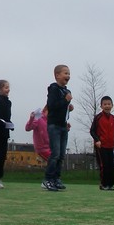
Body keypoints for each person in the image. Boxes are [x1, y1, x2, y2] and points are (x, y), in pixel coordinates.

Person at [42, 64, 73, 192]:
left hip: (63, 126)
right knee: (55, 154)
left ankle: (56, 178)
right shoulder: (53, 89)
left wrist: (69, 108)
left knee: (61, 155)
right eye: (65, 73)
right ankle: (48, 179)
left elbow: (62, 109)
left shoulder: (67, 91)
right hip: (54, 125)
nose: (68, 76)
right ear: (57, 75)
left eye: (69, 73)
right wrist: (65, 101)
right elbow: (52, 105)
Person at [90, 96, 114, 191]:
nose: (107, 106)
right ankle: (103, 184)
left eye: (109, 104)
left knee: (111, 165)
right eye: (105, 104)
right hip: (101, 146)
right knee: (104, 165)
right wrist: (97, 140)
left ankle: (110, 184)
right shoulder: (98, 118)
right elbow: (92, 131)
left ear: (112, 105)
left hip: (110, 146)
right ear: (101, 106)